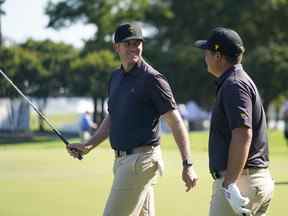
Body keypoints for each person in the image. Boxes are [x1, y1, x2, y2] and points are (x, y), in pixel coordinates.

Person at [68, 22, 198, 216]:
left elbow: (175, 122)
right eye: (127, 43)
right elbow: (113, 116)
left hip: (141, 161)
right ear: (116, 47)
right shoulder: (115, 77)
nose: (133, 47)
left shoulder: (153, 79)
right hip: (122, 161)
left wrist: (187, 164)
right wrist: (88, 145)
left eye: (137, 42)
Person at [194, 27, 274, 216]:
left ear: (218, 56)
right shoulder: (237, 81)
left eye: (207, 51)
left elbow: (243, 134)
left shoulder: (234, 85)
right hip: (251, 180)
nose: (205, 56)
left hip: (240, 183)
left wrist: (229, 184)